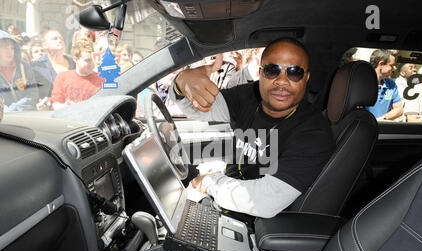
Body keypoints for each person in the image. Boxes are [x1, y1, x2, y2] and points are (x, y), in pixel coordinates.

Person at [169, 37, 334, 218]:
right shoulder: (249, 95)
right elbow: (200, 110)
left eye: (294, 73)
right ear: (261, 72)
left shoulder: (313, 133)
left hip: (255, 226)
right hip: (225, 205)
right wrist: (181, 82)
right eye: (273, 70)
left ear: (306, 78)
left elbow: (265, 201)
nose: (282, 81)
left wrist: (209, 182)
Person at [51, 40, 104, 110]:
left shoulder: (102, 79)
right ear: (76, 59)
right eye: (87, 60)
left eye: (93, 59)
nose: (91, 64)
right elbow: (56, 104)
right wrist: (66, 107)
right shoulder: (62, 77)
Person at [0, 30, 38, 112]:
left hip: (26, 113)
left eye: (12, 48)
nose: (9, 52)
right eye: (5, 48)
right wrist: (8, 111)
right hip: (4, 118)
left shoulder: (24, 66)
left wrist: (16, 108)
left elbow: (33, 93)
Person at [32, 30, 75, 99]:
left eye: (61, 39)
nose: (60, 40)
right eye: (55, 39)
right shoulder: (36, 67)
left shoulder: (74, 63)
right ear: (45, 45)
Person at [365, 49, 404, 121]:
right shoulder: (363, 83)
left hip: (384, 127)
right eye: (391, 65)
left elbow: (399, 110)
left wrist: (381, 119)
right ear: (381, 64)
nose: (394, 68)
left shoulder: (391, 83)